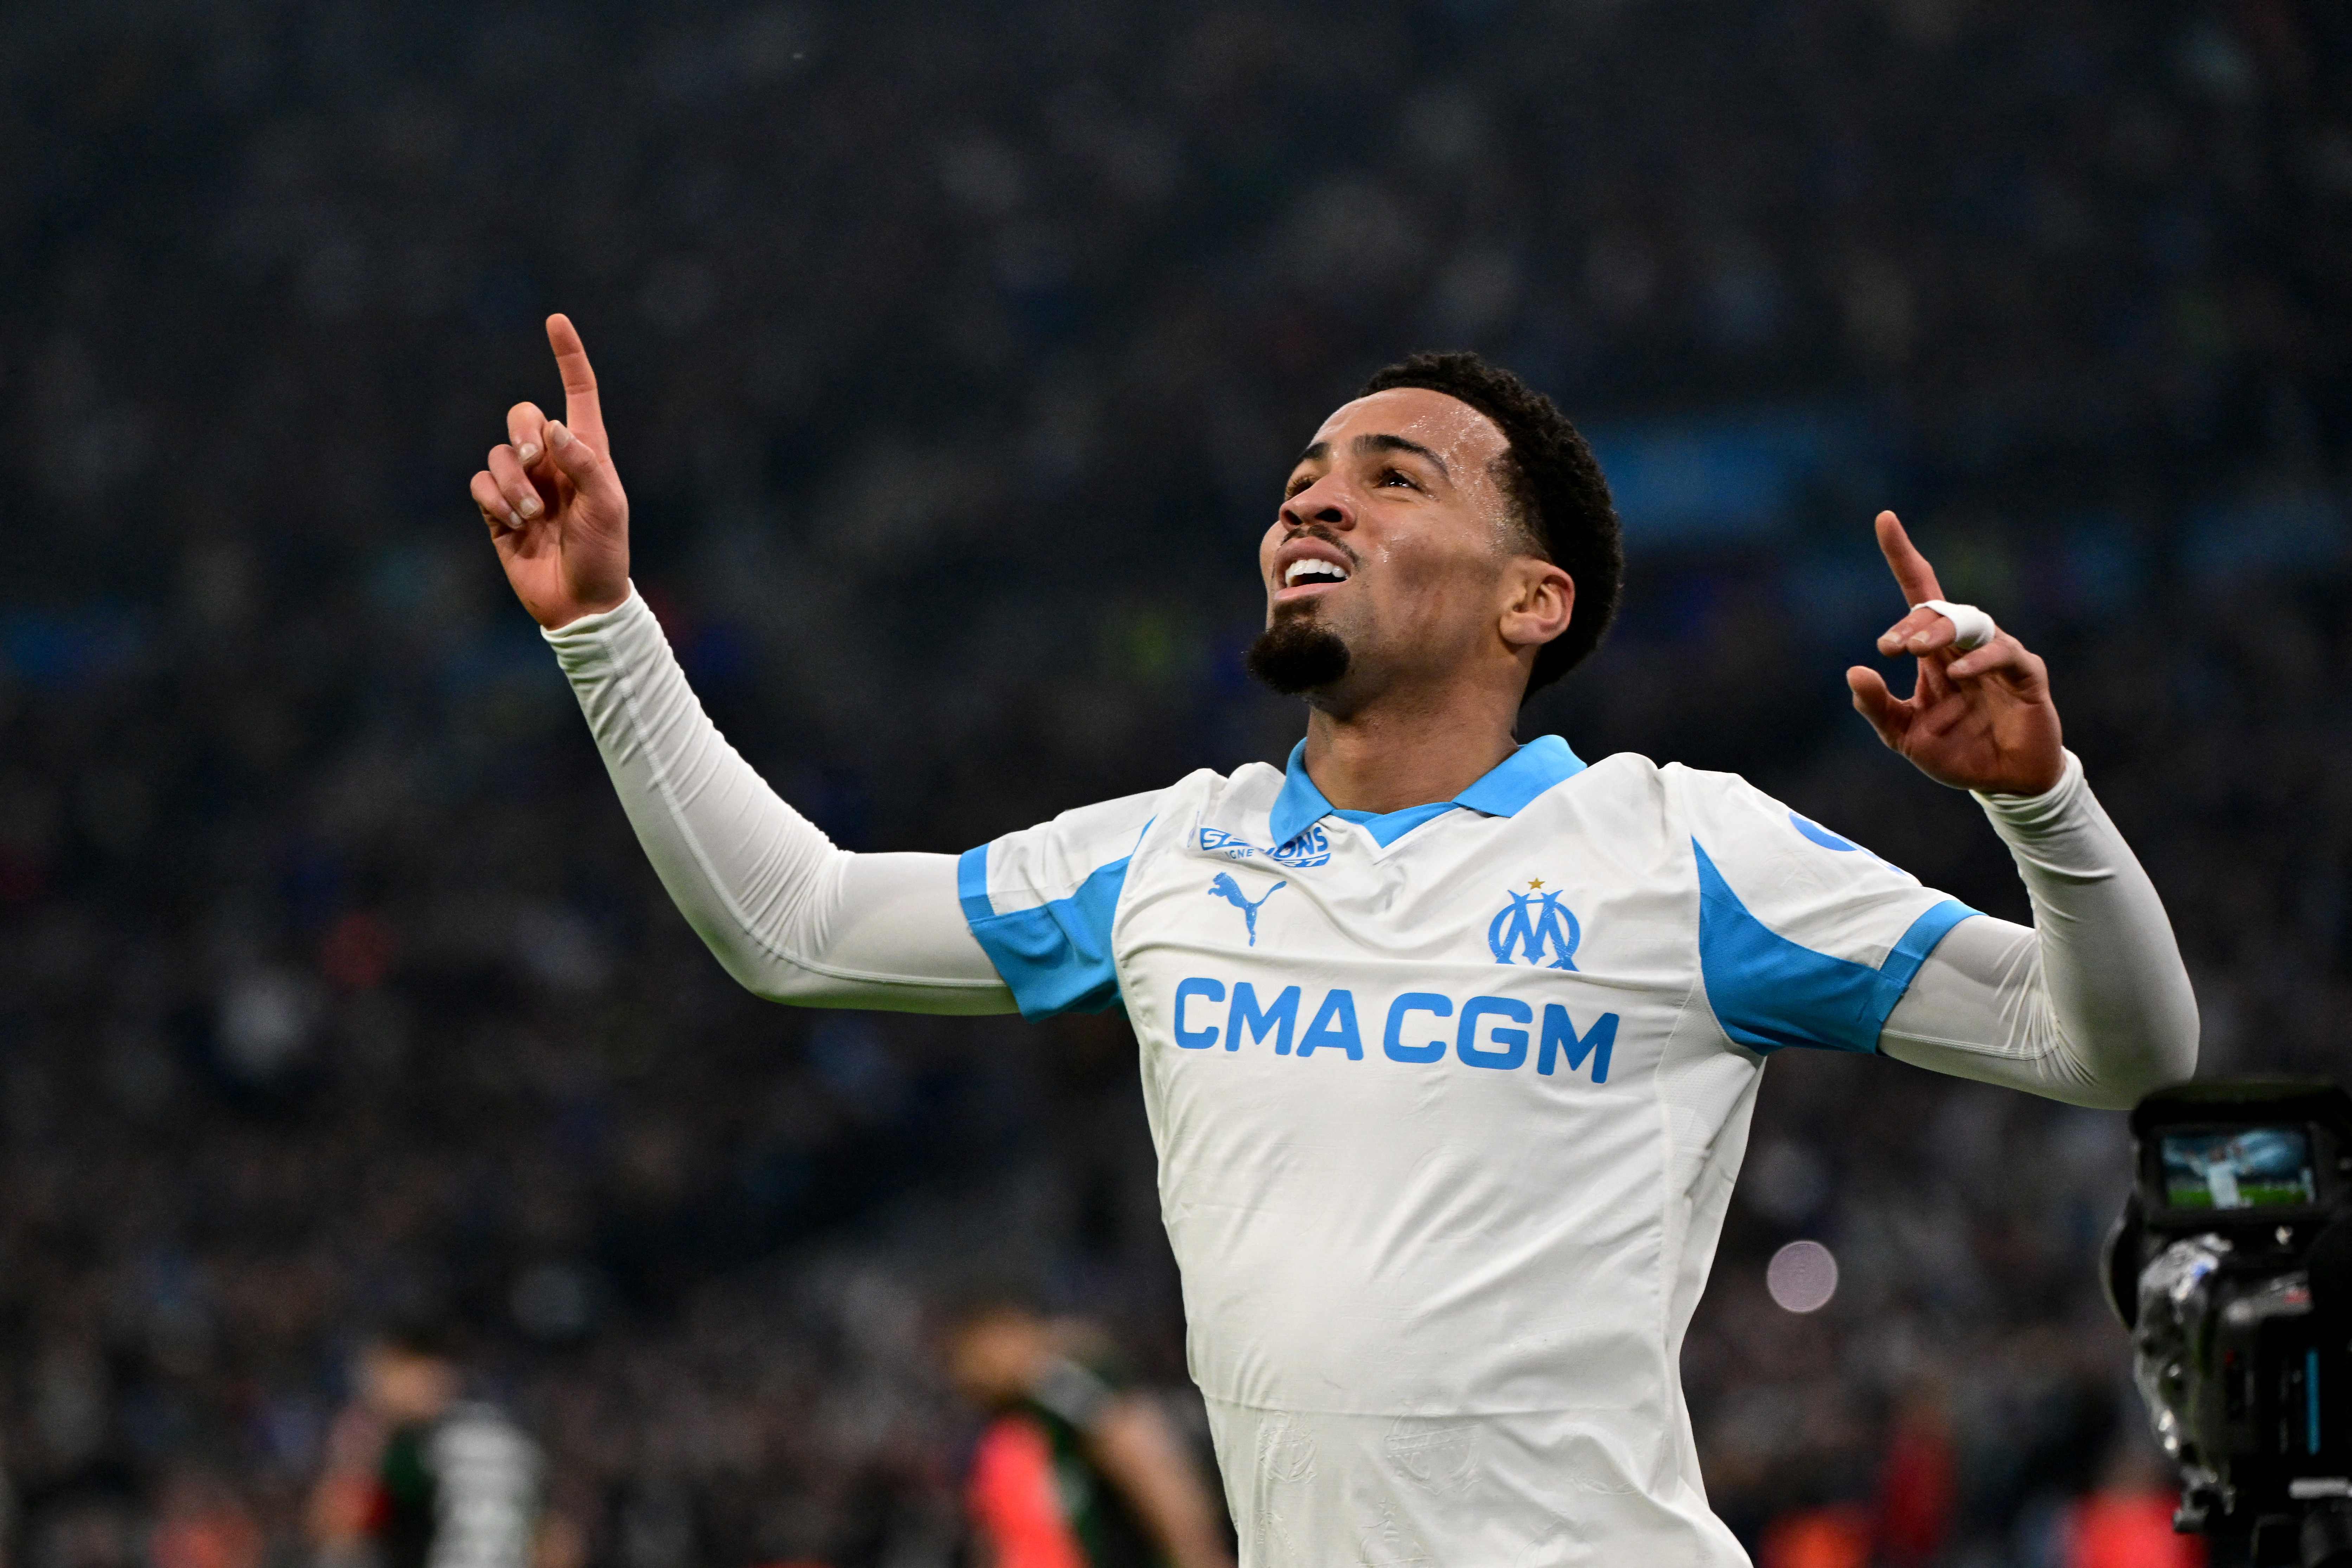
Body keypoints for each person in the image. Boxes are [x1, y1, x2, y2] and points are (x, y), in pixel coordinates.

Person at [468, 316, 2198, 1566]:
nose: (1316, 503)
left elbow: (2120, 1049)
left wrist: (2041, 802)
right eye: (1304, 480)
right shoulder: (1167, 853)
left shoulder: (1684, 850)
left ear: (1538, 599)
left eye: (1393, 477)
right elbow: (799, 921)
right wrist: (608, 626)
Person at [942, 1301, 1233, 1568]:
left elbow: (1143, 1458)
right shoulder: (1024, 1414)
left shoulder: (1058, 1384)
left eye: (971, 1359)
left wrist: (1200, 1554)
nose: (967, 1378)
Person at [309, 1327, 542, 1568]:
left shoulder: (414, 1444)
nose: (375, 1391)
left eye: (383, 1376)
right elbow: (555, 1541)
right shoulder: (513, 1434)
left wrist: (358, 1452)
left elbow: (341, 1520)